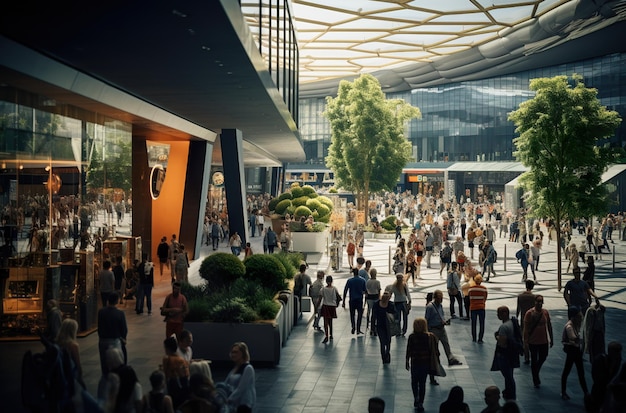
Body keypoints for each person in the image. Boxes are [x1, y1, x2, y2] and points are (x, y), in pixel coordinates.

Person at [406, 318, 438, 412]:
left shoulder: (412, 337)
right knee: (422, 383)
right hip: (425, 363)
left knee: (414, 381)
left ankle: (415, 396)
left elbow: (409, 350)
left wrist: (407, 360)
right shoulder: (429, 336)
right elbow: (434, 350)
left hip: (415, 362)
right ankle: (421, 402)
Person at [425, 290, 463, 367]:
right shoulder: (430, 307)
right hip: (434, 329)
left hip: (441, 328)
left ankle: (450, 358)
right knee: (434, 347)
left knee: (446, 344)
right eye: (439, 299)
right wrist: (427, 330)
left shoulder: (440, 306)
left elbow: (441, 315)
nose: (441, 300)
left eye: (441, 298)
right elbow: (426, 319)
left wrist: (444, 321)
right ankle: (435, 361)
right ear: (435, 298)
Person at [523, 295, 553, 388]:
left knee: (543, 356)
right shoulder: (529, 313)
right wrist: (526, 341)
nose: (539, 303)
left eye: (541, 301)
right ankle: (535, 379)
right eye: (538, 301)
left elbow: (549, 325)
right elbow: (526, 328)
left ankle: (536, 370)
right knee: (534, 359)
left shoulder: (545, 312)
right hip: (533, 341)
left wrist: (551, 338)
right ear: (534, 302)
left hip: (543, 340)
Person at [561, 305, 589, 401]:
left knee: (580, 372)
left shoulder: (576, 324)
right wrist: (582, 340)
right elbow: (573, 337)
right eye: (579, 316)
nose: (581, 318)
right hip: (572, 350)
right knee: (567, 371)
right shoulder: (569, 326)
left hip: (576, 350)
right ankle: (564, 391)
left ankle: (586, 392)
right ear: (573, 317)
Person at [492, 306, 520, 401]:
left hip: (504, 355)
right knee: (509, 375)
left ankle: (511, 394)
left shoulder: (504, 327)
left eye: (498, 313)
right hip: (511, 354)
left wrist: (497, 337)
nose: (497, 315)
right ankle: (508, 392)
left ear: (504, 313)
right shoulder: (512, 323)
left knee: (508, 376)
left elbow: (502, 343)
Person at [97, 292, 127, 376]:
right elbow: (124, 328)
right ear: (117, 301)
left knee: (104, 361)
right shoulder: (120, 313)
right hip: (114, 340)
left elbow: (99, 326)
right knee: (116, 362)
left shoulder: (101, 312)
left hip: (103, 340)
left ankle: (105, 376)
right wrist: (124, 338)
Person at [224, 342, 256, 412]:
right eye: (232, 352)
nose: (233, 354)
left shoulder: (248, 368)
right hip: (235, 404)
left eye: (236, 352)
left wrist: (229, 399)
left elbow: (241, 388)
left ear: (243, 354)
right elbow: (226, 383)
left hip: (244, 404)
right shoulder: (235, 368)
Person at [56, 318, 85, 388]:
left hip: (61, 371)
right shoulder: (73, 345)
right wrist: (80, 373)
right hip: (71, 371)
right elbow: (77, 363)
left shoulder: (57, 342)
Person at [162, 336, 190, 408]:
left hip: (173, 388)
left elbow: (165, 375)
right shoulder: (182, 360)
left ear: (167, 348)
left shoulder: (167, 360)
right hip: (184, 389)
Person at [372, 291, 396, 363]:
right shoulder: (377, 304)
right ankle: (385, 356)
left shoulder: (390, 305)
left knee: (386, 341)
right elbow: (373, 316)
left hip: (387, 326)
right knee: (384, 342)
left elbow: (373, 317)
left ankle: (386, 355)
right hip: (382, 326)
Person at [516, 279, 535, 364]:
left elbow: (518, 308)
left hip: (524, 318)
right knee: (532, 337)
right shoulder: (534, 297)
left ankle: (526, 356)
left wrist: (517, 316)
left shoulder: (520, 296)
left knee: (525, 338)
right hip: (532, 319)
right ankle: (533, 354)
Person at [343, 268, 367, 334]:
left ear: (353, 273)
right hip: (359, 300)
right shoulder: (363, 280)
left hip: (352, 299)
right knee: (359, 315)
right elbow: (365, 291)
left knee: (352, 314)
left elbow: (345, 290)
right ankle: (358, 329)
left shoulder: (350, 280)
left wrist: (343, 301)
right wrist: (365, 302)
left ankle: (353, 326)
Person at [320, 275, 340, 343]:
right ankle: (331, 334)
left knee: (325, 321)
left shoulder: (323, 289)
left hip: (325, 305)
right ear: (332, 281)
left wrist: (317, 307)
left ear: (326, 281)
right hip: (332, 306)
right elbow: (338, 297)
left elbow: (320, 298)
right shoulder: (334, 288)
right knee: (330, 321)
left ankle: (326, 335)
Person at [469, 274, 488, 343]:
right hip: (481, 307)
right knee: (481, 323)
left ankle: (474, 338)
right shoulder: (484, 289)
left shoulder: (471, 289)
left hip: (473, 307)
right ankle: (480, 339)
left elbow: (469, 298)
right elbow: (485, 298)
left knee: (473, 323)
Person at [365, 268, 381, 334]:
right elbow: (379, 290)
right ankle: (374, 327)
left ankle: (367, 325)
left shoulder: (368, 281)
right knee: (375, 313)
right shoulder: (377, 282)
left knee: (369, 311)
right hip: (376, 297)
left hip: (369, 297)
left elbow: (366, 290)